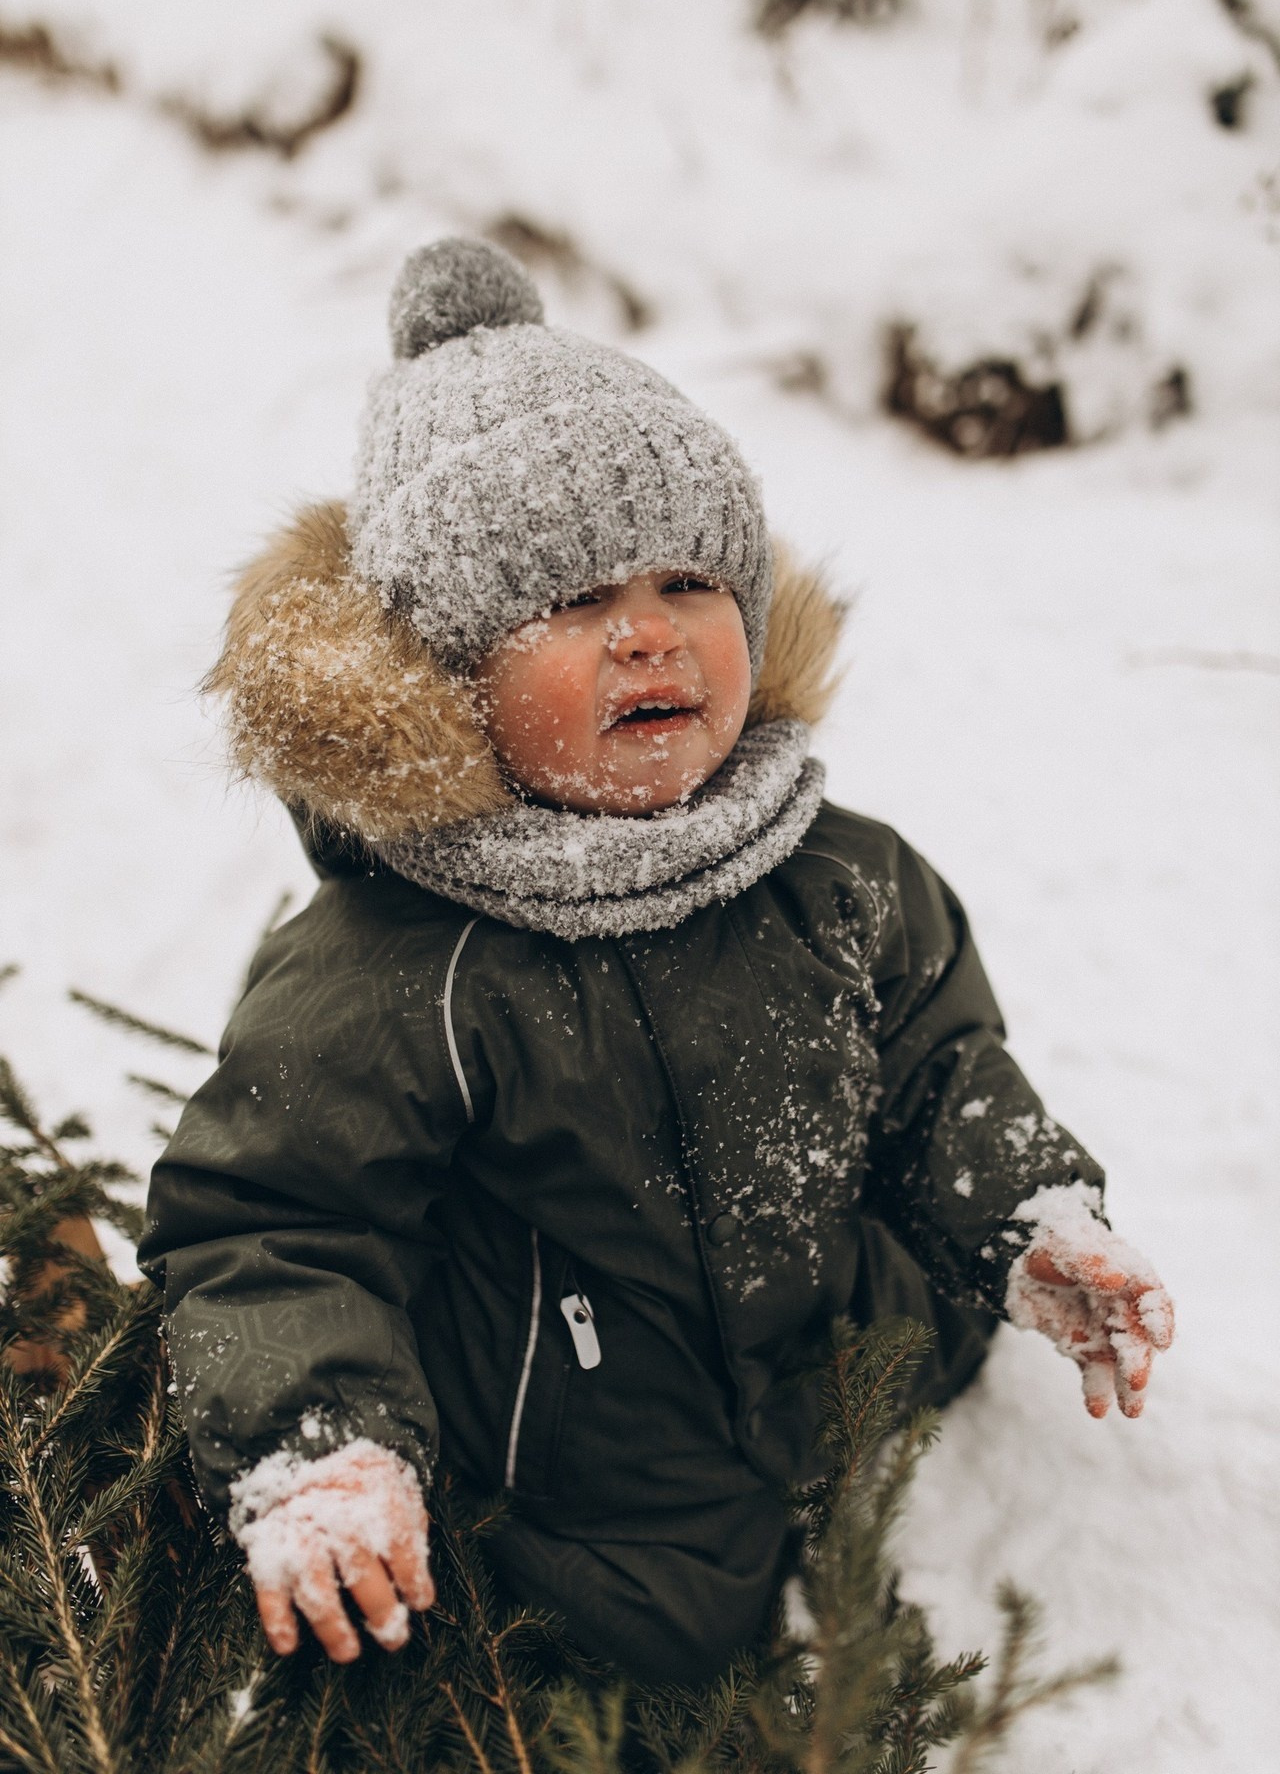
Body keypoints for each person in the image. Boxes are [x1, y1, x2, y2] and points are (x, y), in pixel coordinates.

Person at [139, 239, 1173, 1686]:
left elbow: (937, 1072)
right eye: (570, 603)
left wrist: (1026, 1216)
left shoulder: (835, 872)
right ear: (450, 674)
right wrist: (324, 1448)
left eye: (689, 580)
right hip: (578, 1509)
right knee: (636, 1678)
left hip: (837, 1383)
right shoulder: (399, 968)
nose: (646, 635)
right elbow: (277, 1227)